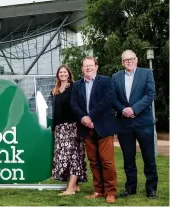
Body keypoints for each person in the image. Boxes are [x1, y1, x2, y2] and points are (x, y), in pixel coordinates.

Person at [71, 56, 118, 204]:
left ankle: (110, 192)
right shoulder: (77, 85)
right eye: (85, 66)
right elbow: (73, 104)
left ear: (96, 67)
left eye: (91, 65)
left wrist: (90, 117)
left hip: (103, 127)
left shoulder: (105, 81)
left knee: (107, 161)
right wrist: (84, 118)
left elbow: (107, 101)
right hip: (86, 129)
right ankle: (98, 190)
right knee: (93, 162)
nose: (88, 68)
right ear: (82, 69)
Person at [112, 50, 158, 199]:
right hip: (124, 124)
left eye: (131, 59)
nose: (129, 62)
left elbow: (150, 94)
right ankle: (130, 188)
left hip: (143, 123)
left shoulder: (146, 73)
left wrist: (134, 109)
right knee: (128, 159)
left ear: (136, 60)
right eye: (125, 60)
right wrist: (123, 109)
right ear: (122, 62)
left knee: (149, 158)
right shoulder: (116, 77)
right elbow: (112, 97)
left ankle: (151, 188)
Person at [51, 64, 87, 196]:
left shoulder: (73, 87)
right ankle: (74, 186)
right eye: (60, 72)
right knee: (64, 157)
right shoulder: (54, 90)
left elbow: (77, 107)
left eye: (65, 72)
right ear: (57, 75)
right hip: (60, 128)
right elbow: (55, 112)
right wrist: (54, 127)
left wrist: (78, 125)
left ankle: (70, 188)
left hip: (72, 126)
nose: (62, 74)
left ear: (69, 74)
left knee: (74, 156)